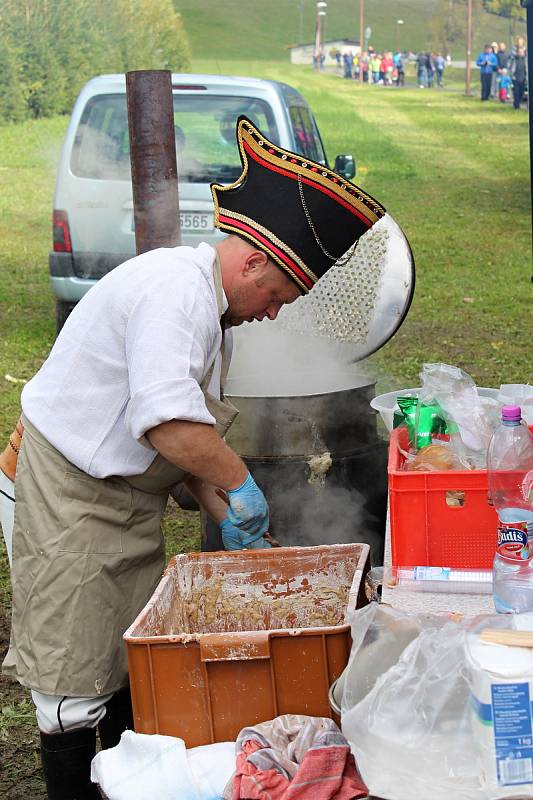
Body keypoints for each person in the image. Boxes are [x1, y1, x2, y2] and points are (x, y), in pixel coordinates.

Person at [1, 115, 388, 799]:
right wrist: (241, 484)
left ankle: (126, 779)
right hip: (67, 489)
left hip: (122, 495)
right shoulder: (173, 290)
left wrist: (218, 497)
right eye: (276, 297)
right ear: (251, 262)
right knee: (72, 668)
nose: (272, 313)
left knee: (127, 654)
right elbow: (169, 425)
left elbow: (187, 442)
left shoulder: (212, 310)